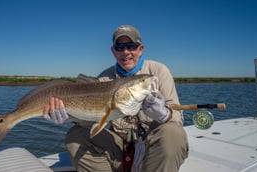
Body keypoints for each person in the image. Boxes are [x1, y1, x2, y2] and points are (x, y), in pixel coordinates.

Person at [43, 25, 189, 172]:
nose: (125, 52)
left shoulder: (158, 72)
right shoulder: (104, 78)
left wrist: (164, 114)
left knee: (173, 133)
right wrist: (70, 117)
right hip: (120, 147)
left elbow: (178, 119)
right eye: (119, 47)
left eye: (131, 46)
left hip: (152, 150)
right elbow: (94, 120)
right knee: (76, 135)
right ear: (113, 51)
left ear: (140, 49)